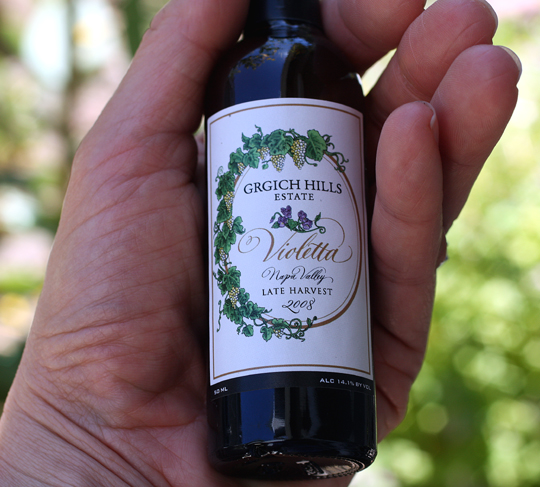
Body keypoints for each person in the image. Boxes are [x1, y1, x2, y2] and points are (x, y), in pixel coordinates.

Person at [0, 0, 520, 485]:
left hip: (333, 384)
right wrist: (75, 438)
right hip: (238, 394)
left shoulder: (317, 69)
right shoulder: (243, 70)